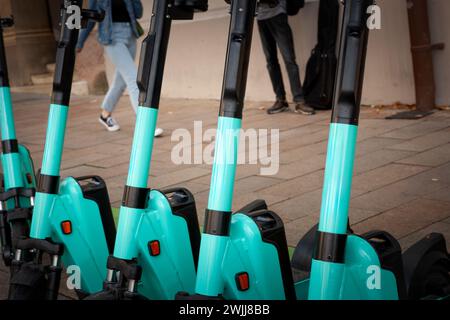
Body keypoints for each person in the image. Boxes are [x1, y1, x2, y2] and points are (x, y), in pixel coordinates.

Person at [76, 0, 163, 136]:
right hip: (112, 38)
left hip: (130, 35)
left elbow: (138, 13)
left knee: (120, 82)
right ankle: (145, 124)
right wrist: (79, 41)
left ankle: (105, 115)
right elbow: (92, 18)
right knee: (134, 79)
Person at [257, 0, 315, 115]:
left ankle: (299, 101)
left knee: (289, 59)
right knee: (271, 61)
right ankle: (280, 100)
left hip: (277, 13)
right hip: (260, 17)